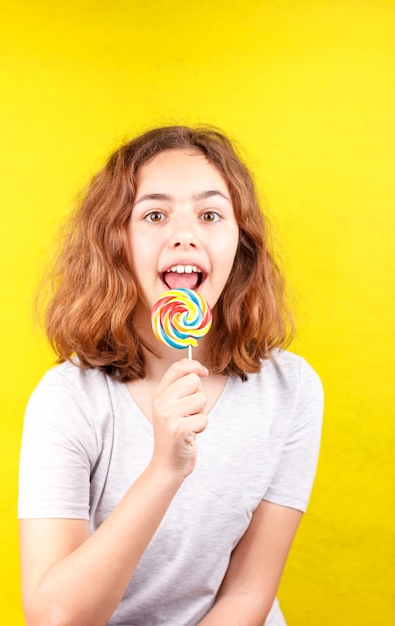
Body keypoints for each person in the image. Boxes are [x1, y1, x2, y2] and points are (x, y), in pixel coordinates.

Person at [18, 125, 323, 626]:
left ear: (240, 242)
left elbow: (248, 596)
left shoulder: (292, 390)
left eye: (210, 214)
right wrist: (164, 469)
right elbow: (57, 617)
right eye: (155, 214)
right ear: (116, 242)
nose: (185, 234)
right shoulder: (68, 400)